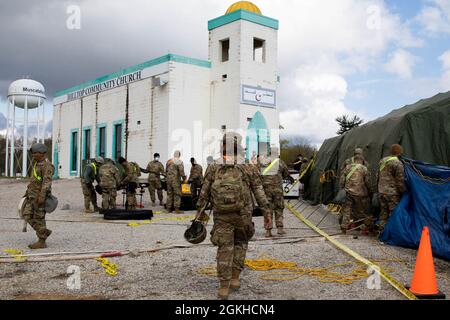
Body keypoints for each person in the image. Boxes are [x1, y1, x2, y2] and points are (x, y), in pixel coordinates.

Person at [195, 132, 271, 300]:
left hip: (221, 215)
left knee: (224, 247)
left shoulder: (214, 166)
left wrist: (198, 215)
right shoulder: (247, 166)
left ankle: (223, 287)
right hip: (243, 214)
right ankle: (235, 278)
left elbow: (204, 193)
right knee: (241, 244)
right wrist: (266, 212)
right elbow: (259, 191)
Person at [23, 143, 55, 249]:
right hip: (31, 196)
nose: (33, 155)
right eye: (33, 153)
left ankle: (42, 241)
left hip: (39, 197)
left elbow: (47, 182)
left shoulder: (47, 165)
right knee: (26, 215)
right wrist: (27, 192)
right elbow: (35, 181)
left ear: (41, 153)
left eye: (35, 153)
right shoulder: (37, 164)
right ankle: (44, 231)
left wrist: (42, 196)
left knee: (39, 218)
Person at [258, 148, 291, 237]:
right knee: (279, 208)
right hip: (277, 190)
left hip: (266, 190)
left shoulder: (263, 162)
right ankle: (280, 229)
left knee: (268, 209)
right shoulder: (280, 162)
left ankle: (268, 231)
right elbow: (286, 174)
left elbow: (257, 174)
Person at [339, 154, 373, 234]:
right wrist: (370, 191)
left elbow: (342, 180)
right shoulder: (364, 169)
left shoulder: (347, 167)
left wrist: (342, 188)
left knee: (347, 210)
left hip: (348, 192)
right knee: (360, 211)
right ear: (361, 160)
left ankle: (344, 227)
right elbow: (368, 182)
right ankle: (362, 226)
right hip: (359, 194)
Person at [377, 144, 405, 233]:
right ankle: (392, 233)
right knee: (393, 213)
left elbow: (378, 175)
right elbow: (400, 180)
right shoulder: (398, 163)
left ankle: (381, 231)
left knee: (383, 213)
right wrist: (403, 192)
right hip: (392, 193)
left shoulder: (383, 161)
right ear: (400, 152)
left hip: (381, 191)